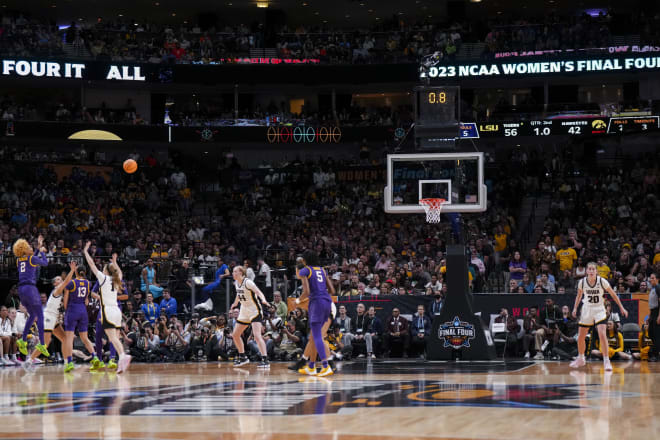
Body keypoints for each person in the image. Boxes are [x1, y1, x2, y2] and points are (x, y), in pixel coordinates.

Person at [83, 244, 132, 373]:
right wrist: (115, 262)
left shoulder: (103, 278)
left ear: (106, 271)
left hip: (108, 310)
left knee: (112, 337)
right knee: (115, 337)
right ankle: (121, 359)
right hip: (117, 310)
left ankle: (123, 356)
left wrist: (85, 252)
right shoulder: (117, 280)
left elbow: (91, 265)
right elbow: (119, 272)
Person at [571, 262, 628, 371]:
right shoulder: (582, 282)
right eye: (590, 269)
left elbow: (613, 294)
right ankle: (581, 358)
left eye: (593, 269)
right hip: (587, 309)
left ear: (596, 271)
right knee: (580, 337)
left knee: (602, 334)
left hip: (599, 309)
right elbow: (578, 296)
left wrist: (621, 307)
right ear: (586, 271)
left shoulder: (602, 281)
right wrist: (574, 308)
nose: (591, 271)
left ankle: (606, 361)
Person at [24, 262, 77, 371]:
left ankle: (67, 362)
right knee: (45, 343)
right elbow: (67, 281)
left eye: (60, 279)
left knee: (64, 339)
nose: (60, 280)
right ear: (54, 283)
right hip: (48, 317)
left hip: (54, 319)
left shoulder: (62, 292)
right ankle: (29, 361)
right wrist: (72, 270)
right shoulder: (57, 290)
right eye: (58, 279)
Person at [295, 251, 335, 377]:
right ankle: (311, 367)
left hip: (316, 303)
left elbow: (306, 291)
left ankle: (325, 365)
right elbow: (332, 290)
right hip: (327, 302)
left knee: (317, 336)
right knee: (313, 336)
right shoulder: (323, 270)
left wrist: (298, 300)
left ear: (305, 261)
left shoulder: (305, 271)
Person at [12, 236, 50, 358]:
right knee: (40, 315)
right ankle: (42, 344)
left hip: (21, 290)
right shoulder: (31, 258)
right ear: (24, 249)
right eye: (28, 246)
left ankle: (23, 340)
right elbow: (45, 263)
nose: (31, 247)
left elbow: (32, 258)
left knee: (33, 315)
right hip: (30, 288)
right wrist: (43, 252)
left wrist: (38, 247)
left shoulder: (19, 260)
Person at [230, 265, 271, 368]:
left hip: (254, 310)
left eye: (235, 271)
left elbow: (258, 292)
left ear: (241, 273)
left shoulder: (248, 282)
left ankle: (265, 360)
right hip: (244, 310)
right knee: (235, 335)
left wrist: (263, 300)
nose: (233, 273)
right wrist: (235, 304)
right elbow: (238, 295)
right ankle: (243, 357)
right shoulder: (236, 283)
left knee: (257, 336)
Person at [62, 263, 98, 373]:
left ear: (76, 272)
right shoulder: (88, 283)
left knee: (68, 338)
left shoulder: (71, 283)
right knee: (84, 337)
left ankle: (69, 362)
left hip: (72, 309)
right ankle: (95, 357)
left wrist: (66, 310)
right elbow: (87, 301)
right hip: (83, 311)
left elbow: (65, 301)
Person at [89, 276, 128, 371]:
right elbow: (92, 293)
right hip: (103, 309)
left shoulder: (119, 280)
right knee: (98, 334)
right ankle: (99, 360)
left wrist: (114, 297)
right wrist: (99, 297)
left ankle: (112, 359)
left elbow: (126, 296)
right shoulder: (101, 279)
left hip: (114, 309)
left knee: (113, 337)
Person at [647, 273, 659, 361]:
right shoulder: (652, 289)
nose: (651, 280)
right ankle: (655, 351)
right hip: (653, 313)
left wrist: (659, 316)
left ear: (657, 279)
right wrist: (649, 316)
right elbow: (652, 305)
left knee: (656, 335)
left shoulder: (658, 288)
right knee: (650, 332)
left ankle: (655, 355)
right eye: (650, 278)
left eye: (653, 278)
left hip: (657, 312)